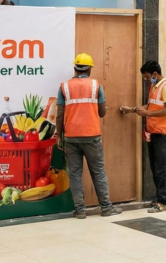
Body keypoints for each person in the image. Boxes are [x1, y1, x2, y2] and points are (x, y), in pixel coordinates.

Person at [55, 53, 122, 218]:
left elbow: (59, 114)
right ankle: (106, 208)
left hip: (71, 137)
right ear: (89, 69)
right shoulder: (96, 86)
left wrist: (59, 136)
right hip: (92, 136)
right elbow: (102, 113)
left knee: (75, 173)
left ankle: (80, 211)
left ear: (75, 68)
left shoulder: (64, 87)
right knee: (98, 171)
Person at [121, 61, 166, 213]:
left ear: (155, 74)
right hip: (154, 132)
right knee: (155, 168)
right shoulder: (154, 86)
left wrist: (148, 113)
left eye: (147, 77)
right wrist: (132, 110)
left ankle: (163, 202)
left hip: (163, 133)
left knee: (161, 169)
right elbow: (150, 106)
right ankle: (160, 198)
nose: (146, 80)